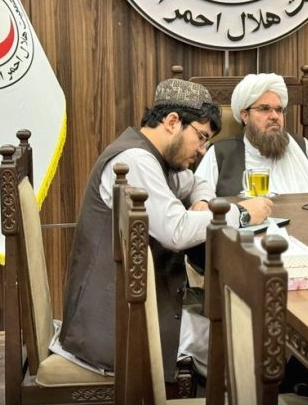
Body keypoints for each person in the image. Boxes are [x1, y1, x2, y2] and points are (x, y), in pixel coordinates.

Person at [57, 78, 273, 382]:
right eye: (201, 137)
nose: (202, 150)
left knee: (244, 330)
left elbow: (198, 182)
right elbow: (177, 231)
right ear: (172, 122)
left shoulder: (157, 158)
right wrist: (243, 213)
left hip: (138, 305)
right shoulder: (135, 160)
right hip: (118, 327)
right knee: (252, 348)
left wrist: (201, 202)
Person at [195, 73, 308, 196]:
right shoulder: (220, 153)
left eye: (279, 110)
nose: (275, 116)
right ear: (245, 115)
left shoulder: (301, 146)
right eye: (264, 109)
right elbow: (199, 201)